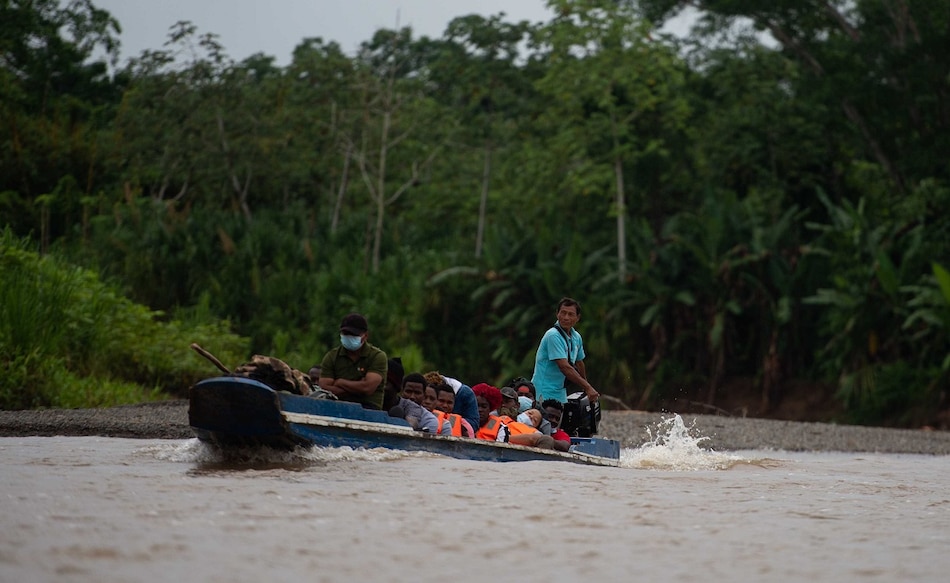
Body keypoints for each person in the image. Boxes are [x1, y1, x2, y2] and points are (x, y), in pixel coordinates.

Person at [530, 297, 599, 404]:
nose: (566, 317)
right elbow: (564, 367)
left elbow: (579, 363)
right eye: (563, 313)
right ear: (557, 314)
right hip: (543, 391)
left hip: (559, 391)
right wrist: (588, 387)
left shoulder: (576, 337)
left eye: (571, 314)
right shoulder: (553, 335)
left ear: (577, 318)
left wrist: (586, 387)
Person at [318, 313, 388, 409]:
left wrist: (340, 382)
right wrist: (358, 387)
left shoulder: (377, 356)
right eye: (346, 334)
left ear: (365, 336)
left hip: (368, 409)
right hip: (336, 407)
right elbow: (324, 389)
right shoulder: (331, 357)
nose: (349, 337)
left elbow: (367, 388)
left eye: (354, 334)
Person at [471, 383, 557, 450]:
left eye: (507, 401)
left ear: (517, 405)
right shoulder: (470, 421)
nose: (503, 405)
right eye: (501, 402)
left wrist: (505, 438)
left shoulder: (518, 426)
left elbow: (542, 439)